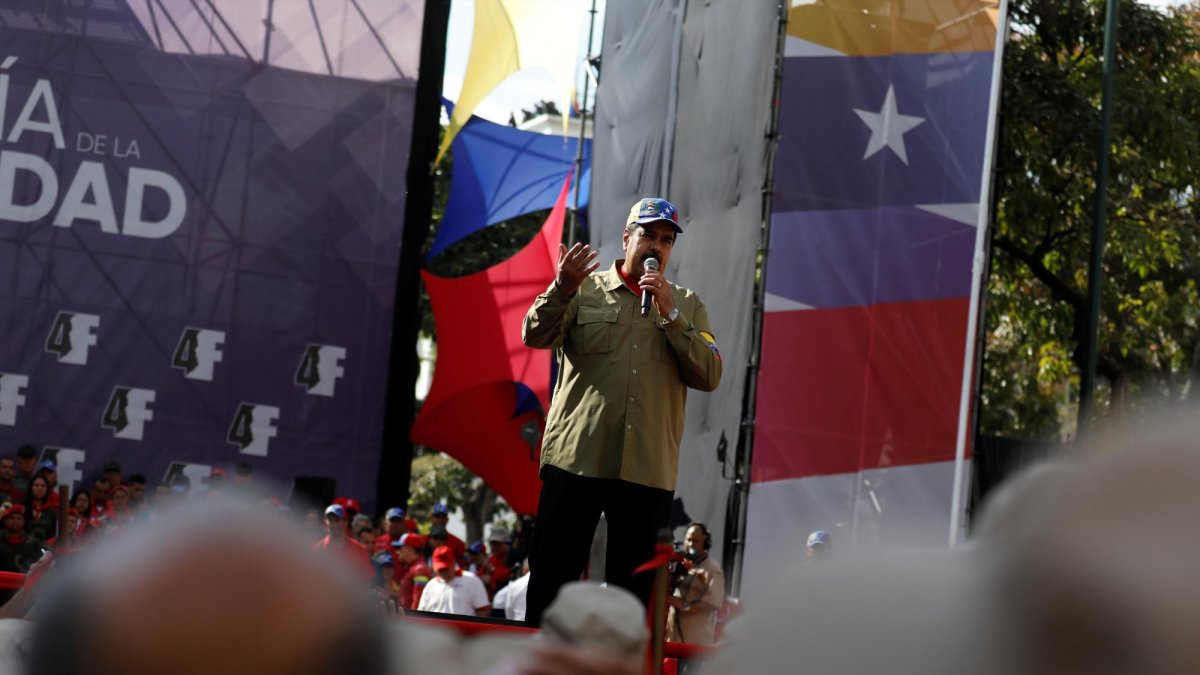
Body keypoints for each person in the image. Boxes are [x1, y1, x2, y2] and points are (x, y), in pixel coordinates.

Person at [521, 197, 722, 625]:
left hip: (646, 470)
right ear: (627, 237)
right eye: (648, 234)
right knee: (551, 583)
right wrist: (561, 288)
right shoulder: (583, 288)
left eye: (667, 240)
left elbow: (710, 374)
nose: (658, 246)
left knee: (634, 602)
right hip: (577, 459)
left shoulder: (686, 305)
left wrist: (670, 316)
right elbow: (533, 335)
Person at [666, 523, 725, 646]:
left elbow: (713, 602)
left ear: (706, 544)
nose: (691, 544)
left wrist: (686, 607)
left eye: (695, 541)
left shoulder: (712, 569)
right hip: (673, 641)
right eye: (689, 540)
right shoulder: (682, 565)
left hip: (694, 645)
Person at [417, 545, 490, 617]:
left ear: (453, 563)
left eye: (446, 568)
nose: (443, 571)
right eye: (440, 569)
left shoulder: (472, 580)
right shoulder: (431, 585)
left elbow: (483, 610)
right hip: (434, 628)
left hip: (462, 628)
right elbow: (421, 613)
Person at [313, 504, 373, 579]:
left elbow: (368, 580)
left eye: (338, 520)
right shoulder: (317, 550)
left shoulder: (359, 549)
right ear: (325, 522)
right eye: (331, 520)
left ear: (345, 521)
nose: (334, 524)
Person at [394, 532, 432, 610]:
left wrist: (413, 619)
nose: (397, 552)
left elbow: (418, 599)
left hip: (411, 619)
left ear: (410, 549)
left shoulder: (420, 569)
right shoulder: (414, 568)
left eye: (400, 548)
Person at [0, 505, 42, 573]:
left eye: (19, 518)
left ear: (24, 521)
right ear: (5, 521)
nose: (15, 521)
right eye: (12, 518)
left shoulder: (33, 542)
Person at [23, 475, 58, 545]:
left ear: (47, 489)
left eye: (43, 486)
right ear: (31, 488)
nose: (39, 488)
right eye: (36, 485)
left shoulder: (51, 512)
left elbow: (53, 534)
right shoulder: (22, 507)